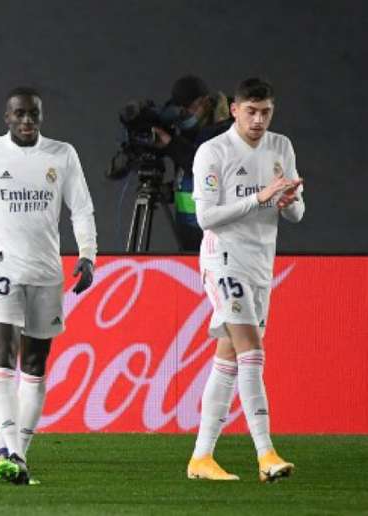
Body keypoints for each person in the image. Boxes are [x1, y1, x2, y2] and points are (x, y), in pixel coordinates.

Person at [0, 87, 97, 484]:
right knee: (2, 355)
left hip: (47, 273)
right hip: (2, 272)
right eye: (20, 114)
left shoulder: (62, 154)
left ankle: (17, 452)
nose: (27, 120)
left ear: (41, 117)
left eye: (33, 114)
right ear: (7, 118)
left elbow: (80, 207)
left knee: (34, 365)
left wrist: (87, 254)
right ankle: (8, 448)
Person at [187, 77, 304, 482]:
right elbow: (205, 218)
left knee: (229, 358)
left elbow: (295, 214)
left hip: (260, 265)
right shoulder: (212, 152)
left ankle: (201, 458)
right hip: (223, 260)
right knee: (252, 351)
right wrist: (259, 197)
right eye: (251, 111)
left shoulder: (281, 147)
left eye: (266, 112)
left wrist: (288, 201)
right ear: (234, 110)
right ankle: (265, 453)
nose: (258, 120)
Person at [153, 75, 233, 250]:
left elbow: (205, 168)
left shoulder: (227, 129)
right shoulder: (184, 129)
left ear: (205, 102)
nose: (187, 114)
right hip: (188, 231)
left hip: (217, 234)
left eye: (190, 108)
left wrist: (172, 143)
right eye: (181, 109)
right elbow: (186, 175)